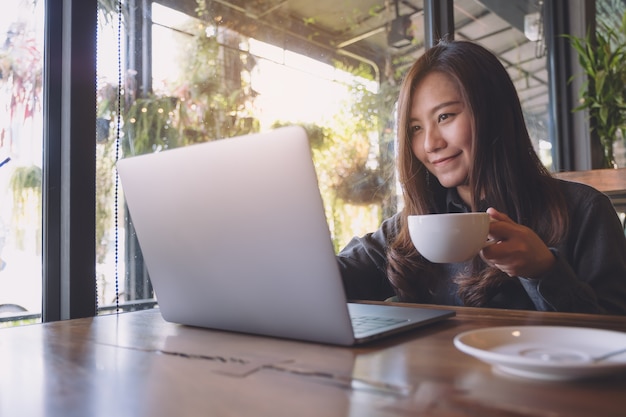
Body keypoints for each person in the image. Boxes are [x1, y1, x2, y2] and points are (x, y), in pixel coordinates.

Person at [337, 39, 626, 314]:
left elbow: (614, 335)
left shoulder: (583, 211)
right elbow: (331, 278)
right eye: (415, 128)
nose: (429, 144)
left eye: (444, 117)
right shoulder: (413, 227)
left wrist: (544, 270)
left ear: (493, 112)